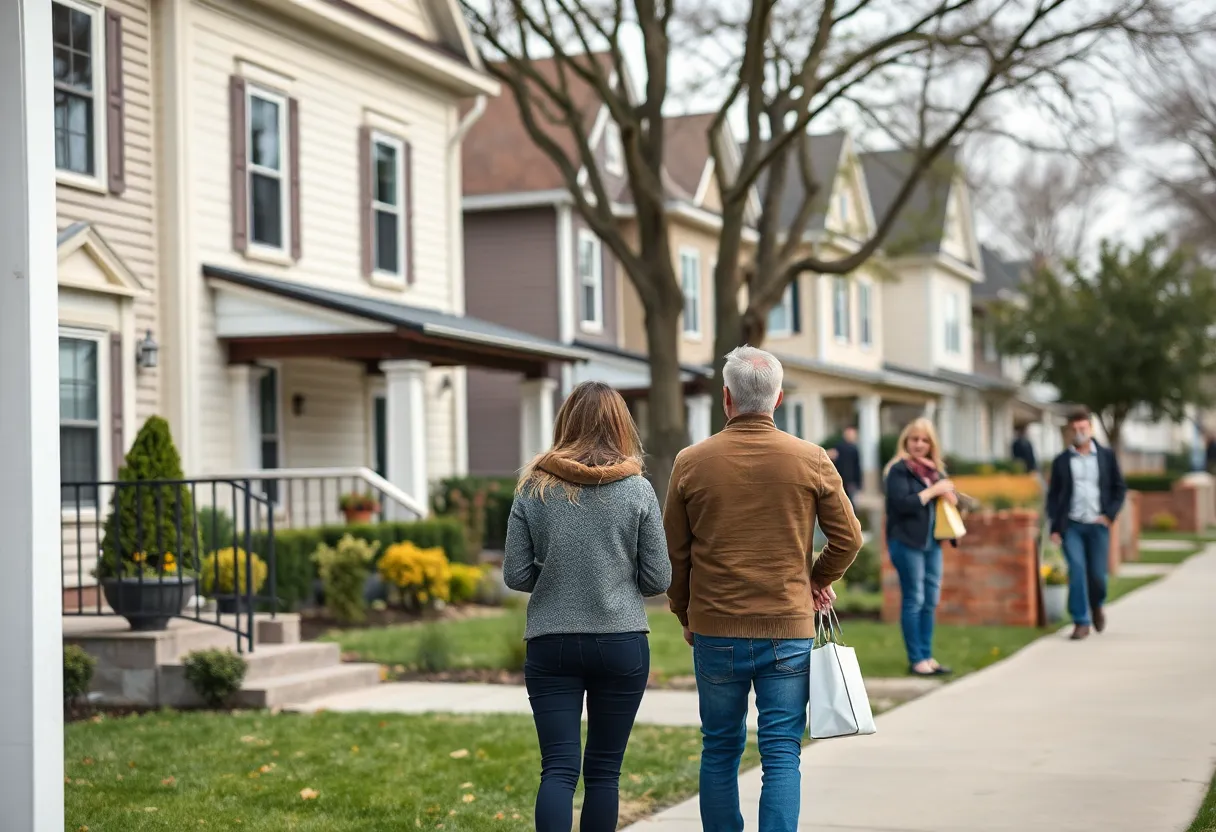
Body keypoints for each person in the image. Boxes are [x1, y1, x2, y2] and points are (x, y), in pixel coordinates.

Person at [664, 346, 863, 832]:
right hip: (787, 627)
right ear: (776, 400)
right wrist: (814, 581)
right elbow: (849, 538)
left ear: (726, 398)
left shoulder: (691, 462)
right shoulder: (811, 459)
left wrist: (684, 611)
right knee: (780, 754)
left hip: (715, 629)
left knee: (719, 749)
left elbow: (675, 553)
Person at [503, 381, 672, 832]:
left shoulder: (533, 487)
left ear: (565, 422)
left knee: (557, 769)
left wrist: (559, 575)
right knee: (604, 773)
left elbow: (516, 575)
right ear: (621, 426)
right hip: (621, 644)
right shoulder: (637, 490)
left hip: (550, 643)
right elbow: (658, 579)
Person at [883, 418, 956, 678]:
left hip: (931, 543)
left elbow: (951, 506)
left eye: (924, 440)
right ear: (906, 441)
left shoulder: (936, 471)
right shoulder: (898, 470)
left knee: (931, 600)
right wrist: (934, 490)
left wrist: (950, 496)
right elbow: (903, 504)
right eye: (914, 439)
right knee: (915, 599)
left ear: (931, 444)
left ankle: (927, 655)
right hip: (906, 542)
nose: (919, 444)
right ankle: (916, 660)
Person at [1046, 407, 1127, 640]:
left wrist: (1109, 515)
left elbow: (1119, 488)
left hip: (1098, 525)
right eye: (1074, 429)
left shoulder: (1106, 456)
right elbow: (1054, 496)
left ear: (1090, 428)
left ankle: (1097, 605)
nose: (1079, 432)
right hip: (1071, 525)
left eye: (1083, 428)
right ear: (1069, 432)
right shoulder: (1061, 461)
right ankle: (1081, 621)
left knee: (1097, 576)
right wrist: (1055, 527)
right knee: (1077, 569)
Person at [830, 425, 863, 503]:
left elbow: (857, 466)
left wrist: (858, 481)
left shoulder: (854, 449)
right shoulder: (840, 447)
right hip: (842, 478)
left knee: (849, 501)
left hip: (850, 480)